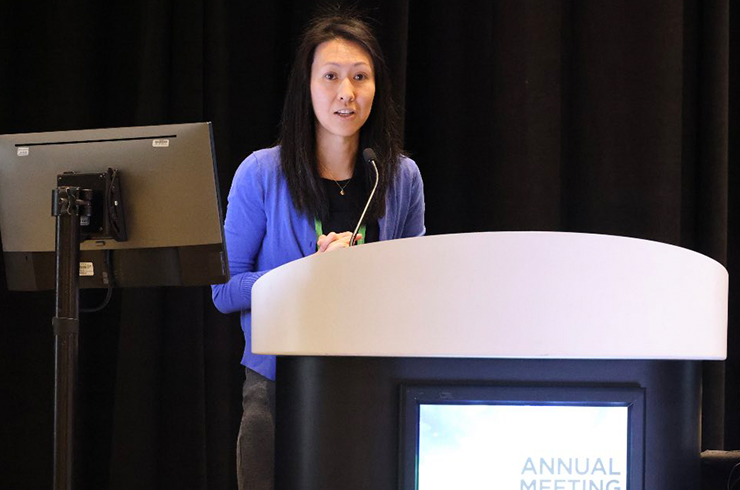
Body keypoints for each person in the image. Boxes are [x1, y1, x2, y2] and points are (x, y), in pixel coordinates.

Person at [211, 9, 425, 490]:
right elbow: (223, 289)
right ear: (306, 88)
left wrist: (367, 272)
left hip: (376, 383)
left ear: (376, 87)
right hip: (277, 386)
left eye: (360, 77)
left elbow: (419, 288)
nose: (345, 92)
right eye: (330, 76)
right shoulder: (261, 173)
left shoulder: (399, 176)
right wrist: (309, 274)